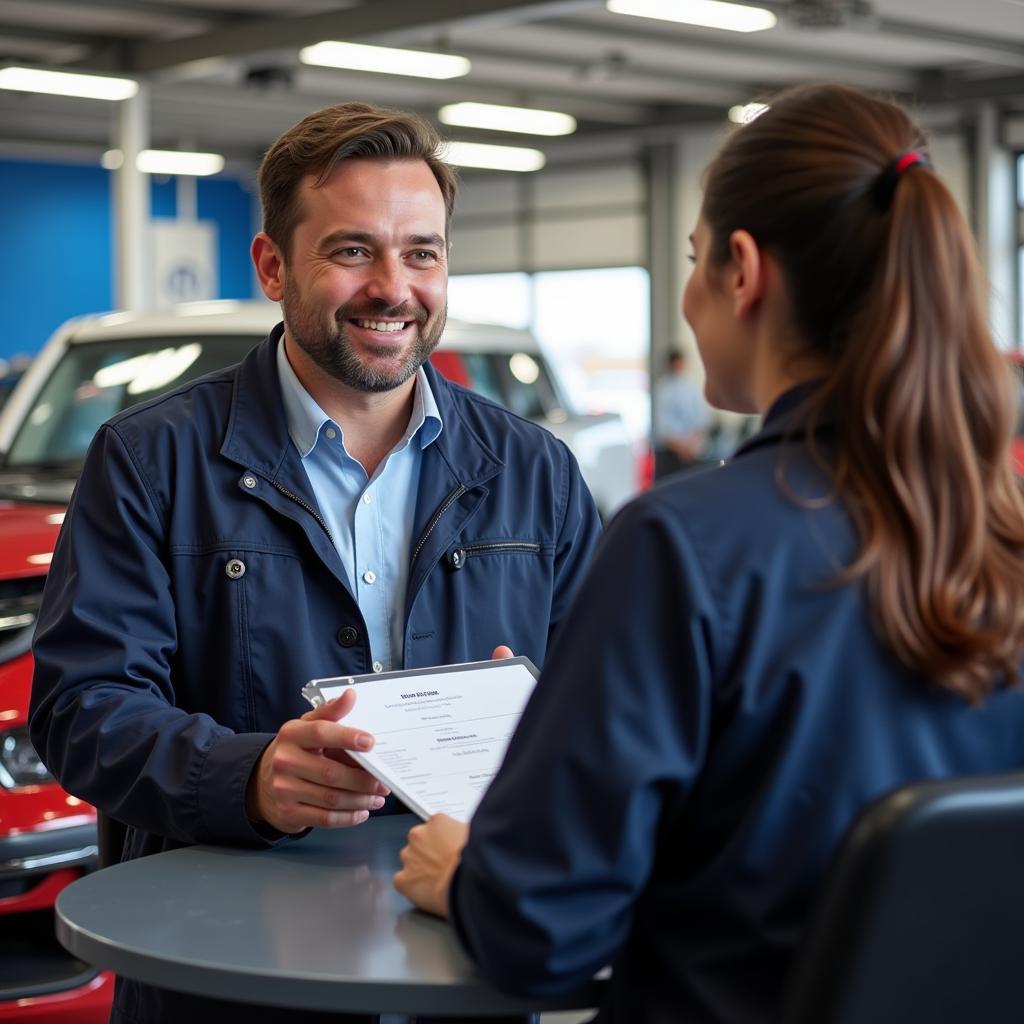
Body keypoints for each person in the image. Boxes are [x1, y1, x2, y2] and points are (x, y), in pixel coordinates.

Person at [392, 83, 1024, 1024]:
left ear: (742, 269)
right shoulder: (1001, 538)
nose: (688, 297)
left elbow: (545, 930)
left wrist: (466, 876)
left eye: (691, 261)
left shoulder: (683, 547)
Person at [29, 102, 601, 1024]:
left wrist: (537, 722)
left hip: (465, 972)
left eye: (422, 252)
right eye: (352, 251)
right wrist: (246, 776)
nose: (393, 286)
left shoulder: (536, 473)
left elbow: (605, 709)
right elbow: (81, 708)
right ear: (272, 266)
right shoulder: (150, 460)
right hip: (223, 982)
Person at [652, 347, 711, 478]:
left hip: (691, 451)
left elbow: (702, 419)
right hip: (670, 453)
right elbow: (662, 427)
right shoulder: (663, 389)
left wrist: (692, 442)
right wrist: (680, 446)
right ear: (671, 364)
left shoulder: (691, 387)